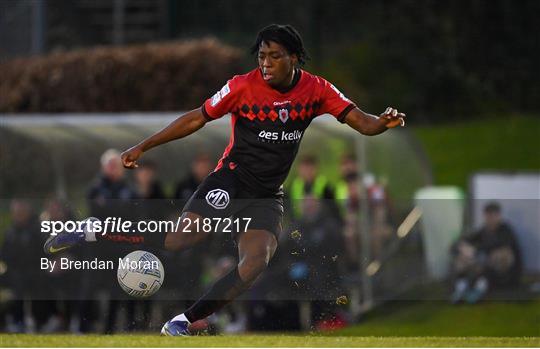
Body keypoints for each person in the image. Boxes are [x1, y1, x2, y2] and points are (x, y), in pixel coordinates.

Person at [44, 24, 405, 336]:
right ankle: (93, 228)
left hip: (267, 194)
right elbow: (197, 118)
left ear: (295, 57)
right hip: (230, 181)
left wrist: (382, 122)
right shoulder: (241, 87)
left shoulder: (316, 90)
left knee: (255, 263)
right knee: (177, 239)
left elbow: (363, 122)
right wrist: (144, 145)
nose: (265, 63)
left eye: (274, 56)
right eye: (261, 55)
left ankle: (183, 322)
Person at [450, 202, 522, 304]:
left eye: (493, 215)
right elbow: (460, 242)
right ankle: (461, 288)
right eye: (488, 215)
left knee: (500, 254)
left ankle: (479, 288)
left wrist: (476, 250)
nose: (490, 219)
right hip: (484, 267)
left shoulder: (506, 230)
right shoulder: (483, 231)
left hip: (505, 274)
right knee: (463, 256)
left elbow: (503, 247)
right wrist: (464, 248)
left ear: (498, 216)